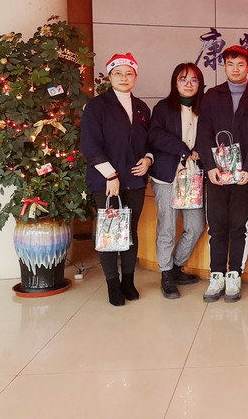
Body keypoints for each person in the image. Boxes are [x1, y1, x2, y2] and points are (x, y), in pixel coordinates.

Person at [81, 53, 153, 307]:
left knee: (130, 230)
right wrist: (110, 174)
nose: (124, 78)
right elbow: (90, 144)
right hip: (107, 181)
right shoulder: (97, 106)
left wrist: (148, 159)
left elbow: (150, 141)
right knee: (110, 232)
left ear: (135, 77)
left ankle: (128, 281)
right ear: (110, 77)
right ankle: (112, 283)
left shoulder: (142, 108)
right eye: (118, 73)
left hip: (134, 180)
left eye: (129, 73)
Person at [196, 46, 248, 303]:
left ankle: (234, 276)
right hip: (217, 174)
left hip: (244, 175)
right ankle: (216, 275)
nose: (235, 69)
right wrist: (209, 166)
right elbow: (203, 133)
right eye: (230, 64)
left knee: (239, 226)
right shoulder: (212, 95)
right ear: (224, 66)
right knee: (217, 225)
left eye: (240, 64)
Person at [148, 63, 205, 299]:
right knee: (167, 227)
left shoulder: (205, 108)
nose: (189, 84)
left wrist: (201, 150)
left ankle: (176, 267)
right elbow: (155, 136)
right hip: (167, 176)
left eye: (194, 80)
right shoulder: (163, 108)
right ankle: (166, 274)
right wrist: (182, 149)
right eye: (183, 79)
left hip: (193, 176)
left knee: (196, 226)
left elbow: (209, 135)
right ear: (175, 82)